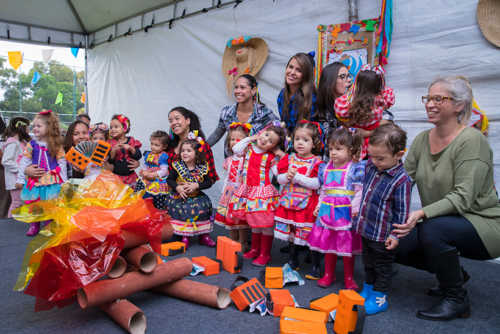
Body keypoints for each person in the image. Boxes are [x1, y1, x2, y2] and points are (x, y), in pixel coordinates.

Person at [393, 76, 500, 321]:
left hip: (485, 224)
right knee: (397, 238)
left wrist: (420, 213)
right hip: (445, 222)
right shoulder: (421, 140)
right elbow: (401, 180)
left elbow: (463, 198)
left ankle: (456, 299)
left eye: (438, 98)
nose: (430, 104)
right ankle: (452, 274)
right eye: (428, 98)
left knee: (433, 229)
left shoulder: (473, 141)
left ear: (459, 105)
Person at [354, 123, 411, 315]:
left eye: (381, 158)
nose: (375, 161)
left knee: (383, 267)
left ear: (399, 155)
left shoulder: (402, 180)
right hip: (366, 229)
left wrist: (395, 236)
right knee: (367, 263)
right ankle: (368, 288)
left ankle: (380, 296)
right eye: (372, 156)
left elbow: (402, 213)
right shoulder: (371, 165)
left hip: (383, 234)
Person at [307, 127, 364, 289]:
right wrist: (319, 206)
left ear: (350, 150)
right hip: (327, 212)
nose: (333, 153)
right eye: (331, 149)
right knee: (328, 244)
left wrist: (355, 207)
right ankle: (328, 274)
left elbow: (359, 190)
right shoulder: (325, 168)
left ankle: (349, 277)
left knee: (347, 247)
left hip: (345, 213)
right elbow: (323, 191)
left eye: (338, 149)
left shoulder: (355, 168)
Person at [228, 124, 286, 266]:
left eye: (271, 141)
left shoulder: (270, 157)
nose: (266, 140)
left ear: (273, 147)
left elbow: (279, 176)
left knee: (265, 224)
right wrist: (251, 138)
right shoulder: (248, 148)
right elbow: (235, 149)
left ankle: (264, 254)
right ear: (261, 133)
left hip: (262, 193)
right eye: (266, 135)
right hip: (248, 190)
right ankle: (255, 249)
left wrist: (282, 158)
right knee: (254, 223)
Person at [274, 121, 323, 276]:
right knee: (292, 233)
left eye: (305, 140)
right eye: (297, 139)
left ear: (314, 143)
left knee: (308, 233)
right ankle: (293, 258)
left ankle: (315, 263)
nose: (300, 143)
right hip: (288, 202)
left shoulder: (318, 162)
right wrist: (285, 177)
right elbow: (279, 180)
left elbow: (316, 184)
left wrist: (298, 178)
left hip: (307, 204)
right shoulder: (288, 159)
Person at [17, 110, 67, 236]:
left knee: (49, 205)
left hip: (51, 182)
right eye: (34, 126)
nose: (35, 128)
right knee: (35, 204)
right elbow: (24, 161)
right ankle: (34, 225)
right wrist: (21, 179)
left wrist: (64, 181)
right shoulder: (31, 144)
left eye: (39, 126)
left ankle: (48, 225)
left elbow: (62, 164)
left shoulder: (57, 145)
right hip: (35, 181)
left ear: (49, 127)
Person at [207, 74, 278, 157]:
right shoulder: (227, 112)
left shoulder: (264, 113)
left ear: (253, 90)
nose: (238, 91)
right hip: (232, 163)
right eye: (236, 87)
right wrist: (201, 148)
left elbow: (280, 131)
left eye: (242, 87)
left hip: (255, 165)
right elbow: (216, 134)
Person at [335, 64, 395, 159]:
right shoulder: (382, 100)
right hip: (376, 140)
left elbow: (343, 120)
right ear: (379, 85)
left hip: (352, 141)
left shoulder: (345, 103)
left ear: (358, 82)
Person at [166, 137, 215, 249]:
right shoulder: (177, 166)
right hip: (180, 196)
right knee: (185, 210)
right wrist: (177, 187)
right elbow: (170, 180)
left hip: (197, 196)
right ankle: (185, 236)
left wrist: (197, 185)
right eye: (183, 150)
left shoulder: (202, 167)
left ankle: (204, 235)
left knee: (205, 208)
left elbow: (209, 182)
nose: (185, 153)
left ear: (196, 153)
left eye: (189, 151)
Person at [214, 122, 251, 247]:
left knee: (240, 219)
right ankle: (232, 243)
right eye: (232, 139)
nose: (235, 142)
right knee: (230, 220)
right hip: (229, 192)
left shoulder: (248, 159)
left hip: (242, 193)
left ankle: (243, 242)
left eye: (239, 140)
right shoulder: (228, 160)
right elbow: (227, 177)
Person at [167, 106, 219, 184]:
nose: (173, 123)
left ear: (188, 121)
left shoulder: (201, 146)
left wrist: (194, 185)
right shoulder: (169, 145)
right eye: (170, 121)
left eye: (177, 118)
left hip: (191, 193)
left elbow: (211, 178)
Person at [315, 62, 352, 159]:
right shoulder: (321, 112)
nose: (349, 80)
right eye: (342, 76)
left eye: (349, 76)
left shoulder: (355, 106)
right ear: (330, 81)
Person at [277, 52, 317, 135]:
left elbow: (311, 132)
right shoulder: (282, 94)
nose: (292, 72)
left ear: (306, 75)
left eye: (298, 70)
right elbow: (285, 125)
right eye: (290, 67)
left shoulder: (311, 98)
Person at [2, 117, 30, 217]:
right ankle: (10, 224)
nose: (29, 130)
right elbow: (6, 160)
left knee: (21, 203)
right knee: (16, 203)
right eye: (27, 127)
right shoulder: (13, 143)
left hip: (21, 179)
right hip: (15, 180)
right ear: (21, 128)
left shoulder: (22, 143)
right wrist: (22, 170)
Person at [135, 131, 170, 210]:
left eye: (156, 145)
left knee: (157, 196)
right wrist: (143, 171)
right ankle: (141, 207)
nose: (153, 147)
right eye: (152, 144)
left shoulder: (162, 156)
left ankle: (157, 211)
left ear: (164, 147)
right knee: (140, 188)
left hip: (156, 179)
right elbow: (146, 165)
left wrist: (154, 174)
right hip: (147, 177)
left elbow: (164, 170)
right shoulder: (149, 154)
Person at [108, 114, 142, 187]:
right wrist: (113, 151)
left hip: (131, 176)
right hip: (116, 177)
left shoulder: (131, 141)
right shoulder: (110, 143)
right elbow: (110, 161)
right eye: (111, 127)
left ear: (125, 128)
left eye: (116, 127)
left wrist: (130, 148)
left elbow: (138, 155)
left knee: (132, 195)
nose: (113, 129)